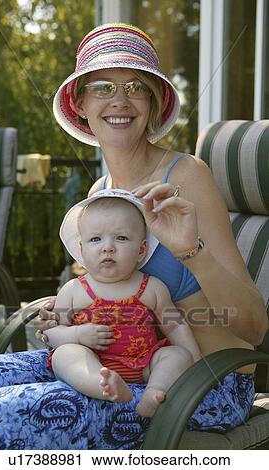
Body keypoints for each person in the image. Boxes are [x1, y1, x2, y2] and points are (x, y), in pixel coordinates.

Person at [35, 22, 268, 433]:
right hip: (116, 373)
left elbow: (254, 327)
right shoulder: (100, 191)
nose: (120, 100)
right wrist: (66, 316)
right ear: (81, 104)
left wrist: (189, 253)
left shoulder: (187, 176)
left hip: (201, 385)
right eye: (103, 87)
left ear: (154, 101)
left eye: (136, 86)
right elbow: (108, 297)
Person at [45, 189, 201, 418]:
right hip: (94, 362)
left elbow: (175, 326)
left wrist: (194, 362)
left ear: (141, 250)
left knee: (176, 355)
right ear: (81, 249)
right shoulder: (73, 290)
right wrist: (77, 335)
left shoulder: (152, 288)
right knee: (64, 354)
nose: (107, 247)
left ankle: (154, 393)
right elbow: (52, 334)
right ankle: (103, 385)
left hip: (145, 364)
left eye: (121, 238)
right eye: (95, 239)